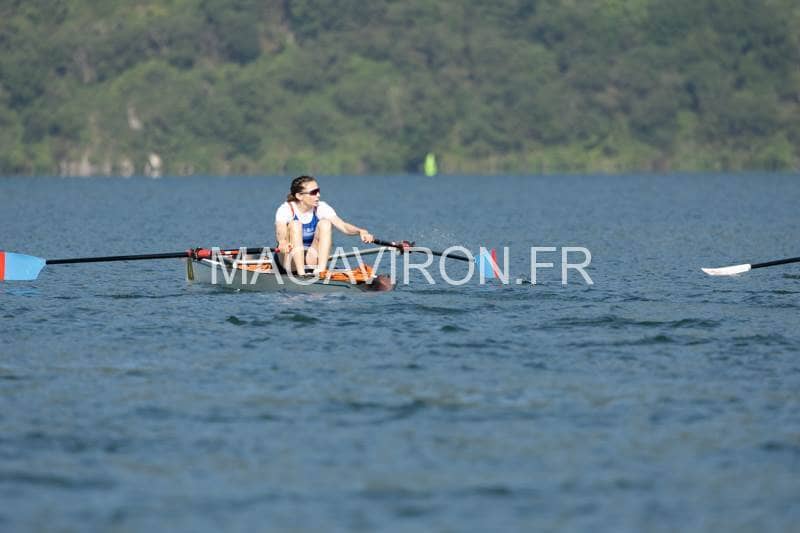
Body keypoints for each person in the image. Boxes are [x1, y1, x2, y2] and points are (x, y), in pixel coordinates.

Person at [275, 175, 374, 274]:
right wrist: (282, 242)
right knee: (295, 224)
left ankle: (321, 271)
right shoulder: (286, 209)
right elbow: (280, 230)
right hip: (289, 261)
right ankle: (301, 274)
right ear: (299, 196)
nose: (318, 195)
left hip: (311, 259)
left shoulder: (321, 207)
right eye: (313, 192)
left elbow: (343, 226)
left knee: (326, 224)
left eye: (318, 191)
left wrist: (360, 231)